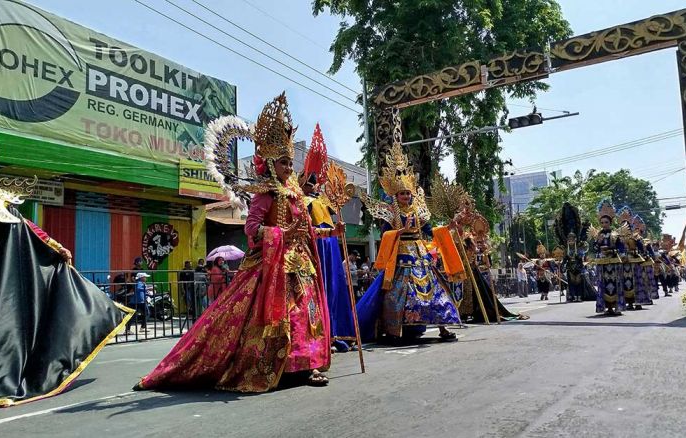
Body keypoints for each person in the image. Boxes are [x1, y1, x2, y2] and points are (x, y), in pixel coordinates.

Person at [135, 93, 334, 391]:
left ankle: (307, 364)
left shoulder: (295, 194)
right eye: (283, 162)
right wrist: (280, 235)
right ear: (269, 162)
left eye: (290, 161)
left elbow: (306, 231)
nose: (289, 167)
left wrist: (332, 233)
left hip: (300, 265)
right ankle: (275, 365)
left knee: (307, 314)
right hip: (271, 269)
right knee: (277, 318)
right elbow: (252, 230)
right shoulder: (265, 194)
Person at [0, 176, 130, 408]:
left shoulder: (2, 203)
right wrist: (57, 248)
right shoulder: (1, 203)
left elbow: (28, 230)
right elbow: (30, 231)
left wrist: (56, 248)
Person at [356, 142, 463, 343]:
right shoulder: (390, 212)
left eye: (408, 193)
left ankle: (443, 327)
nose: (406, 196)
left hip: (420, 255)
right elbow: (386, 235)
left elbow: (430, 231)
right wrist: (400, 231)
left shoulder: (418, 211)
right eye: (402, 193)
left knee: (436, 290)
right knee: (397, 294)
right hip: (400, 257)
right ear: (395, 195)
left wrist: (448, 228)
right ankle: (395, 330)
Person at [298, 125, 355, 351]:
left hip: (330, 248)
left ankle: (336, 333)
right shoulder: (299, 202)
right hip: (314, 248)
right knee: (319, 290)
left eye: (313, 182)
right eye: (307, 182)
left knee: (334, 288)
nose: (311, 185)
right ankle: (321, 335)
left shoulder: (321, 201)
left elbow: (336, 206)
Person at [592, 199, 625, 316]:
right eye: (602, 223)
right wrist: (597, 244)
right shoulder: (598, 235)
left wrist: (612, 250)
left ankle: (617, 307)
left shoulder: (616, 234)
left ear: (610, 222)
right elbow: (594, 249)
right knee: (604, 285)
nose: (604, 224)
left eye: (606, 222)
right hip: (602, 263)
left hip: (614, 262)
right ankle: (608, 308)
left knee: (615, 284)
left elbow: (622, 248)